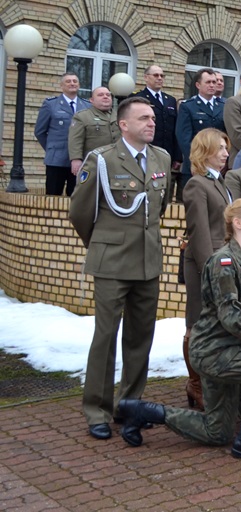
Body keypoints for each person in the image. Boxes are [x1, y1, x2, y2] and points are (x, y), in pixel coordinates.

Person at [116, 199, 241, 462]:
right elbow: (231, 316)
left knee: (216, 432)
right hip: (214, 352)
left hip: (236, 350)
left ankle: (144, 412)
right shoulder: (223, 262)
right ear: (238, 223)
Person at [67, 96, 172, 440]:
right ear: (123, 125)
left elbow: (159, 207)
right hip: (111, 262)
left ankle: (129, 405)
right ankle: (97, 408)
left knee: (141, 337)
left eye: (153, 118)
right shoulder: (101, 160)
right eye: (143, 118)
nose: (151, 123)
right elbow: (80, 212)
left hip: (147, 261)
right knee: (106, 336)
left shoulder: (162, 158)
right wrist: (101, 245)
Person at [180, 128, 232, 409]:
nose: (226, 154)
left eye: (226, 148)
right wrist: (209, 268)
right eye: (220, 148)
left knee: (215, 323)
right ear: (205, 151)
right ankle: (195, 383)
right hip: (205, 263)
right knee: (197, 323)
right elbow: (199, 231)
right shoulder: (197, 184)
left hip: (223, 261)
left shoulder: (221, 183)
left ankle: (211, 379)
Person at [35, 71, 90, 195]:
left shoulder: (87, 106)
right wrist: (51, 148)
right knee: (52, 197)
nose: (72, 84)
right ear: (61, 86)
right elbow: (40, 131)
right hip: (56, 160)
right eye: (68, 81)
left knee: (76, 197)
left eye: (75, 81)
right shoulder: (50, 104)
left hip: (79, 160)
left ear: (79, 85)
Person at [176, 68, 225, 191]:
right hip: (196, 165)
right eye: (208, 82)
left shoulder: (224, 106)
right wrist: (197, 161)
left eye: (214, 82)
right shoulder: (188, 106)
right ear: (198, 85)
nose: (212, 85)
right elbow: (184, 138)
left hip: (218, 164)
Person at [132, 65, 181, 175]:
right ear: (146, 77)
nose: (160, 78)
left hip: (167, 154)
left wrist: (177, 157)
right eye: (156, 75)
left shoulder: (170, 100)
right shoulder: (138, 98)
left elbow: (175, 129)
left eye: (162, 75)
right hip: (146, 151)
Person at [68, 86, 118, 175]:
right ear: (91, 100)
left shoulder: (121, 116)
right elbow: (75, 140)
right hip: (93, 163)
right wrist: (76, 159)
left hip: (116, 163)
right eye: (100, 95)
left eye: (108, 95)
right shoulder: (82, 116)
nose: (105, 97)